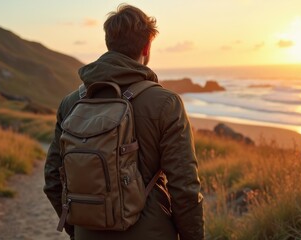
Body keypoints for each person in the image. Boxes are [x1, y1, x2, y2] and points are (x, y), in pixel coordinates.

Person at [43, 4, 204, 240]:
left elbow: (52, 179)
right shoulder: (166, 103)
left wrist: (77, 229)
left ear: (109, 43)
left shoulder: (71, 103)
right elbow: (185, 188)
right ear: (147, 46)